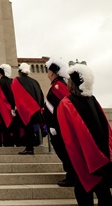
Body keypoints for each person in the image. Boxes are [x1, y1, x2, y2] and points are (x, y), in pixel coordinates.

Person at [58, 64, 112, 205]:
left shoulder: (66, 103)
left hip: (83, 157)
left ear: (74, 82)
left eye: (69, 80)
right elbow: (105, 128)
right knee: (104, 194)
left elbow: (66, 136)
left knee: (84, 193)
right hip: (101, 157)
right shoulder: (93, 100)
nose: (67, 83)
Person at [43, 57, 75, 187]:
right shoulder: (58, 85)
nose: (48, 74)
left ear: (52, 73)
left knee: (64, 151)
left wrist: (55, 125)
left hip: (59, 127)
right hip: (57, 126)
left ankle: (72, 176)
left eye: (49, 71)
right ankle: (71, 174)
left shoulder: (58, 86)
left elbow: (63, 107)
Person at [11, 63, 44, 155]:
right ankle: (33, 146)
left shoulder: (17, 80)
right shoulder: (35, 81)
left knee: (27, 129)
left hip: (26, 109)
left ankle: (29, 148)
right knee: (32, 129)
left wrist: (13, 108)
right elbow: (40, 95)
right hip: (36, 109)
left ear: (19, 72)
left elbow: (15, 94)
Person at [0, 64, 16, 147]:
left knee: (5, 127)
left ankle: (7, 143)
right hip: (14, 108)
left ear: (1, 73)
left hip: (3, 109)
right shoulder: (13, 81)